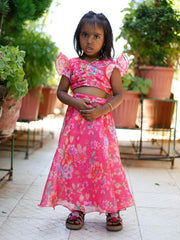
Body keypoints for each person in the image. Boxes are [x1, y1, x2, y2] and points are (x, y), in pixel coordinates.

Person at [39, 11, 134, 231]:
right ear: (77, 36)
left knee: (103, 161)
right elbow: (61, 92)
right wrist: (77, 103)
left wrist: (103, 110)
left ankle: (112, 208)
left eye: (96, 36)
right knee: (77, 164)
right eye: (84, 35)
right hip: (76, 123)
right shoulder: (71, 64)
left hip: (100, 122)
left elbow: (119, 94)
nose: (89, 41)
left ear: (105, 39)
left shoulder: (111, 66)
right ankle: (77, 207)